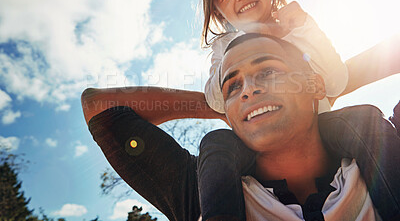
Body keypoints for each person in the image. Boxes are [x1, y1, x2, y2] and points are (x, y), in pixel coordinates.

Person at [82, 34, 400, 221]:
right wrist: (226, 106)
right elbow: (99, 105)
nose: (247, 89)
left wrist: (331, 84)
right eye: (233, 86)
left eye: (267, 72)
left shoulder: (387, 146)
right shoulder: (199, 189)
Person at [198, 0, 400, 220]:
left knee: (365, 121)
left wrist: (306, 26)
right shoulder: (224, 45)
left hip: (319, 136)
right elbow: (215, 99)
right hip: (263, 149)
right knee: (217, 144)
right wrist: (259, 38)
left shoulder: (299, 26)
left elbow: (336, 81)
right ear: (219, 11)